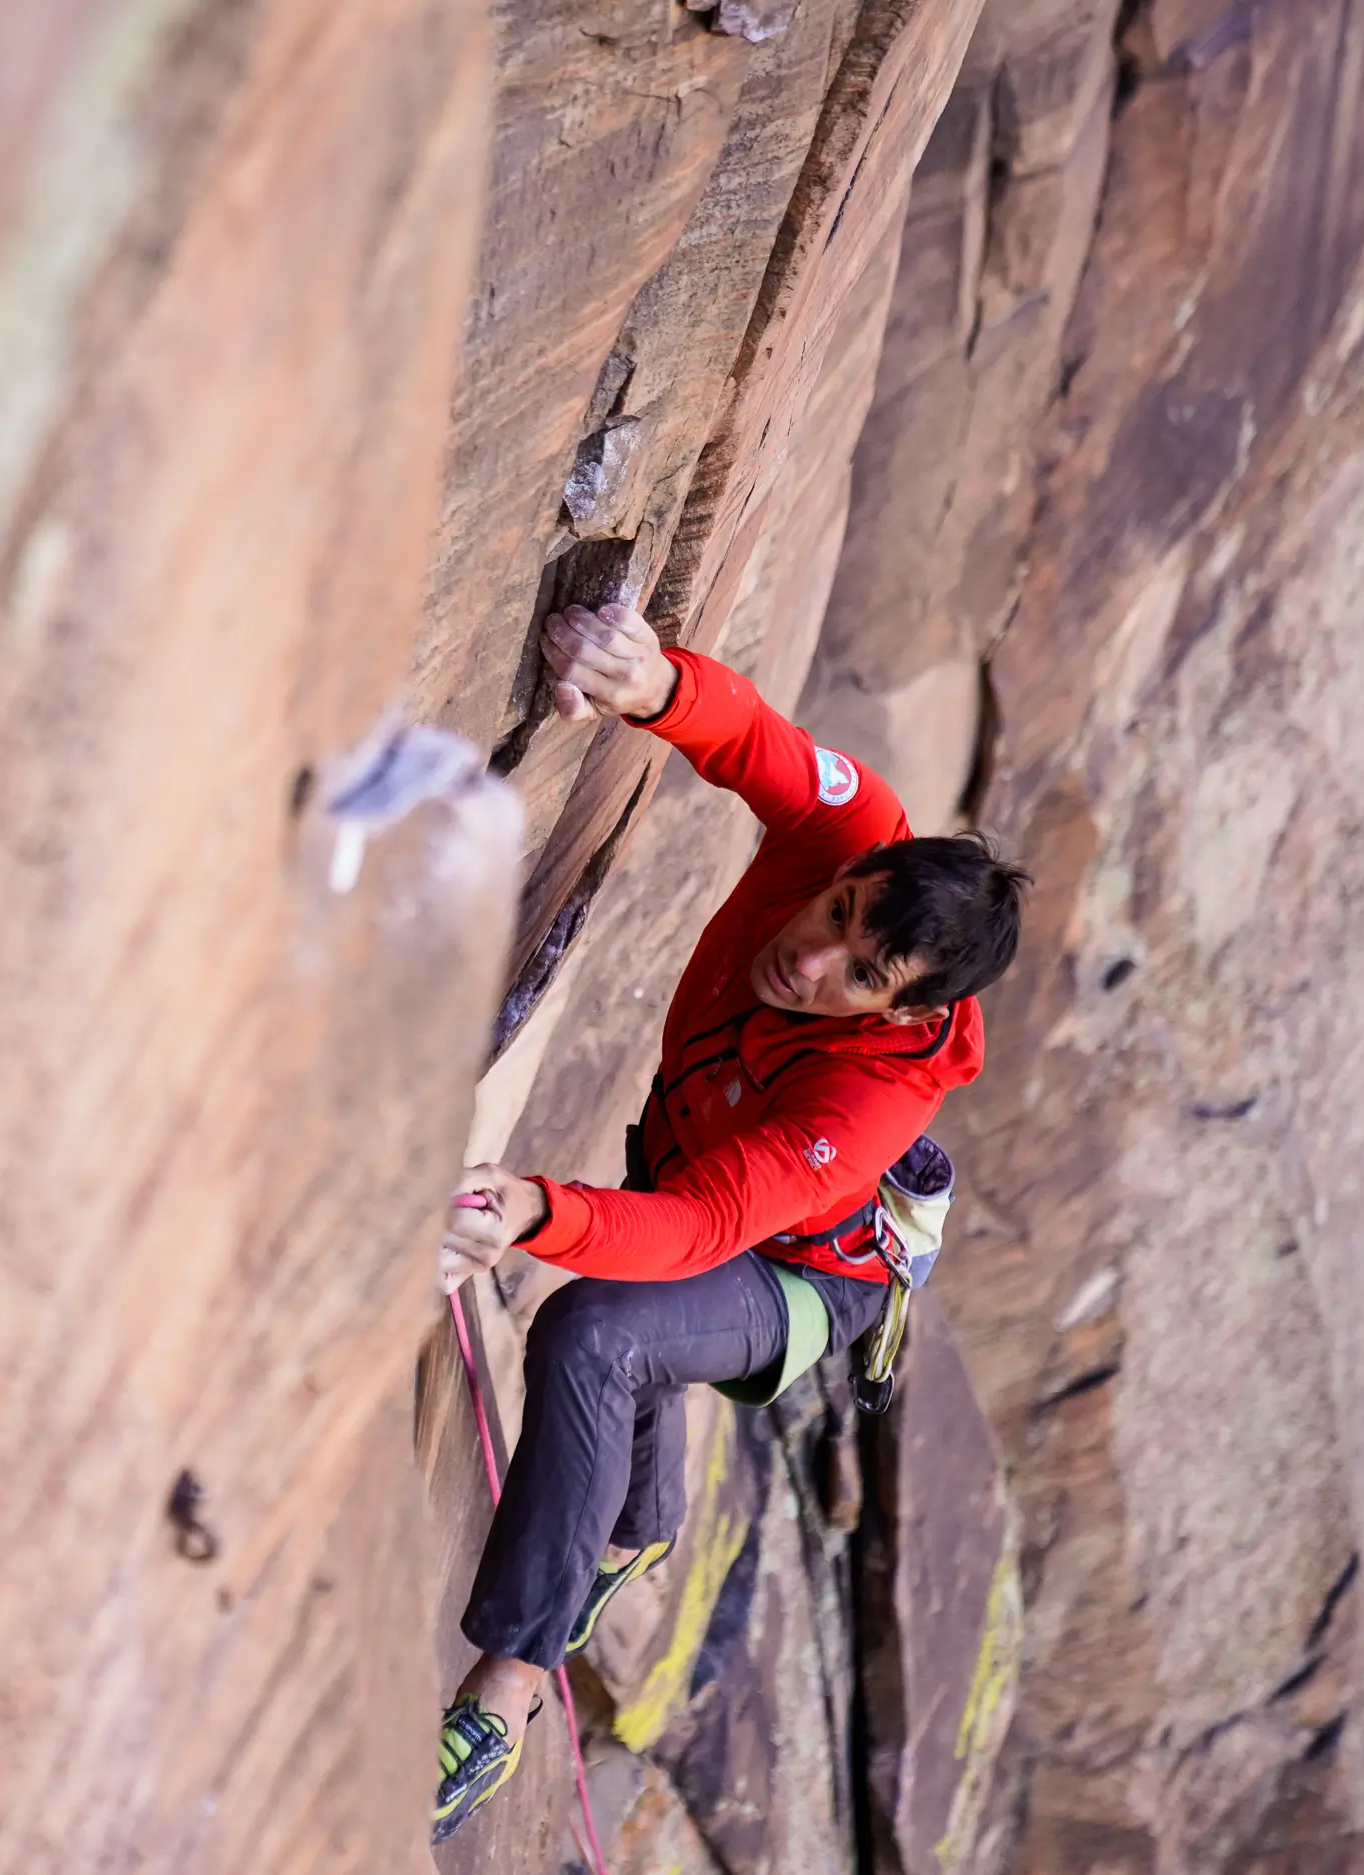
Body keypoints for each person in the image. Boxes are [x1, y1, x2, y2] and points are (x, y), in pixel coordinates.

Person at [429, 602, 1028, 1844]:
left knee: (596, 1330)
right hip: (708, 1165)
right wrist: (650, 684)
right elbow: (752, 737)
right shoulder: (851, 826)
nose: (811, 960)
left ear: (894, 1014)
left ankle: (505, 1691)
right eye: (840, 913)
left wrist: (535, 1209)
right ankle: (635, 1531)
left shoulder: (867, 1098)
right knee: (625, 1328)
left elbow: (701, 1227)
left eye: (860, 975)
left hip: (797, 1270)